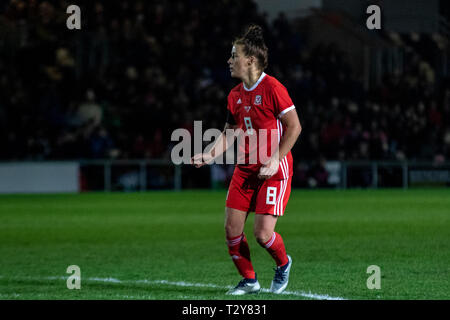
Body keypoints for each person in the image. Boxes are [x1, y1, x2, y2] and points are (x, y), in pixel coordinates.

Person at [191, 24, 302, 295]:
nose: (229, 61)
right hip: (245, 169)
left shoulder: (273, 87)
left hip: (273, 169)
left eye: (234, 55)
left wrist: (276, 158)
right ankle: (250, 280)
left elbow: (294, 127)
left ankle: (283, 263)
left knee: (263, 234)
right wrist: (209, 153)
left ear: (250, 60)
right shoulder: (235, 96)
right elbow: (230, 133)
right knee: (231, 229)